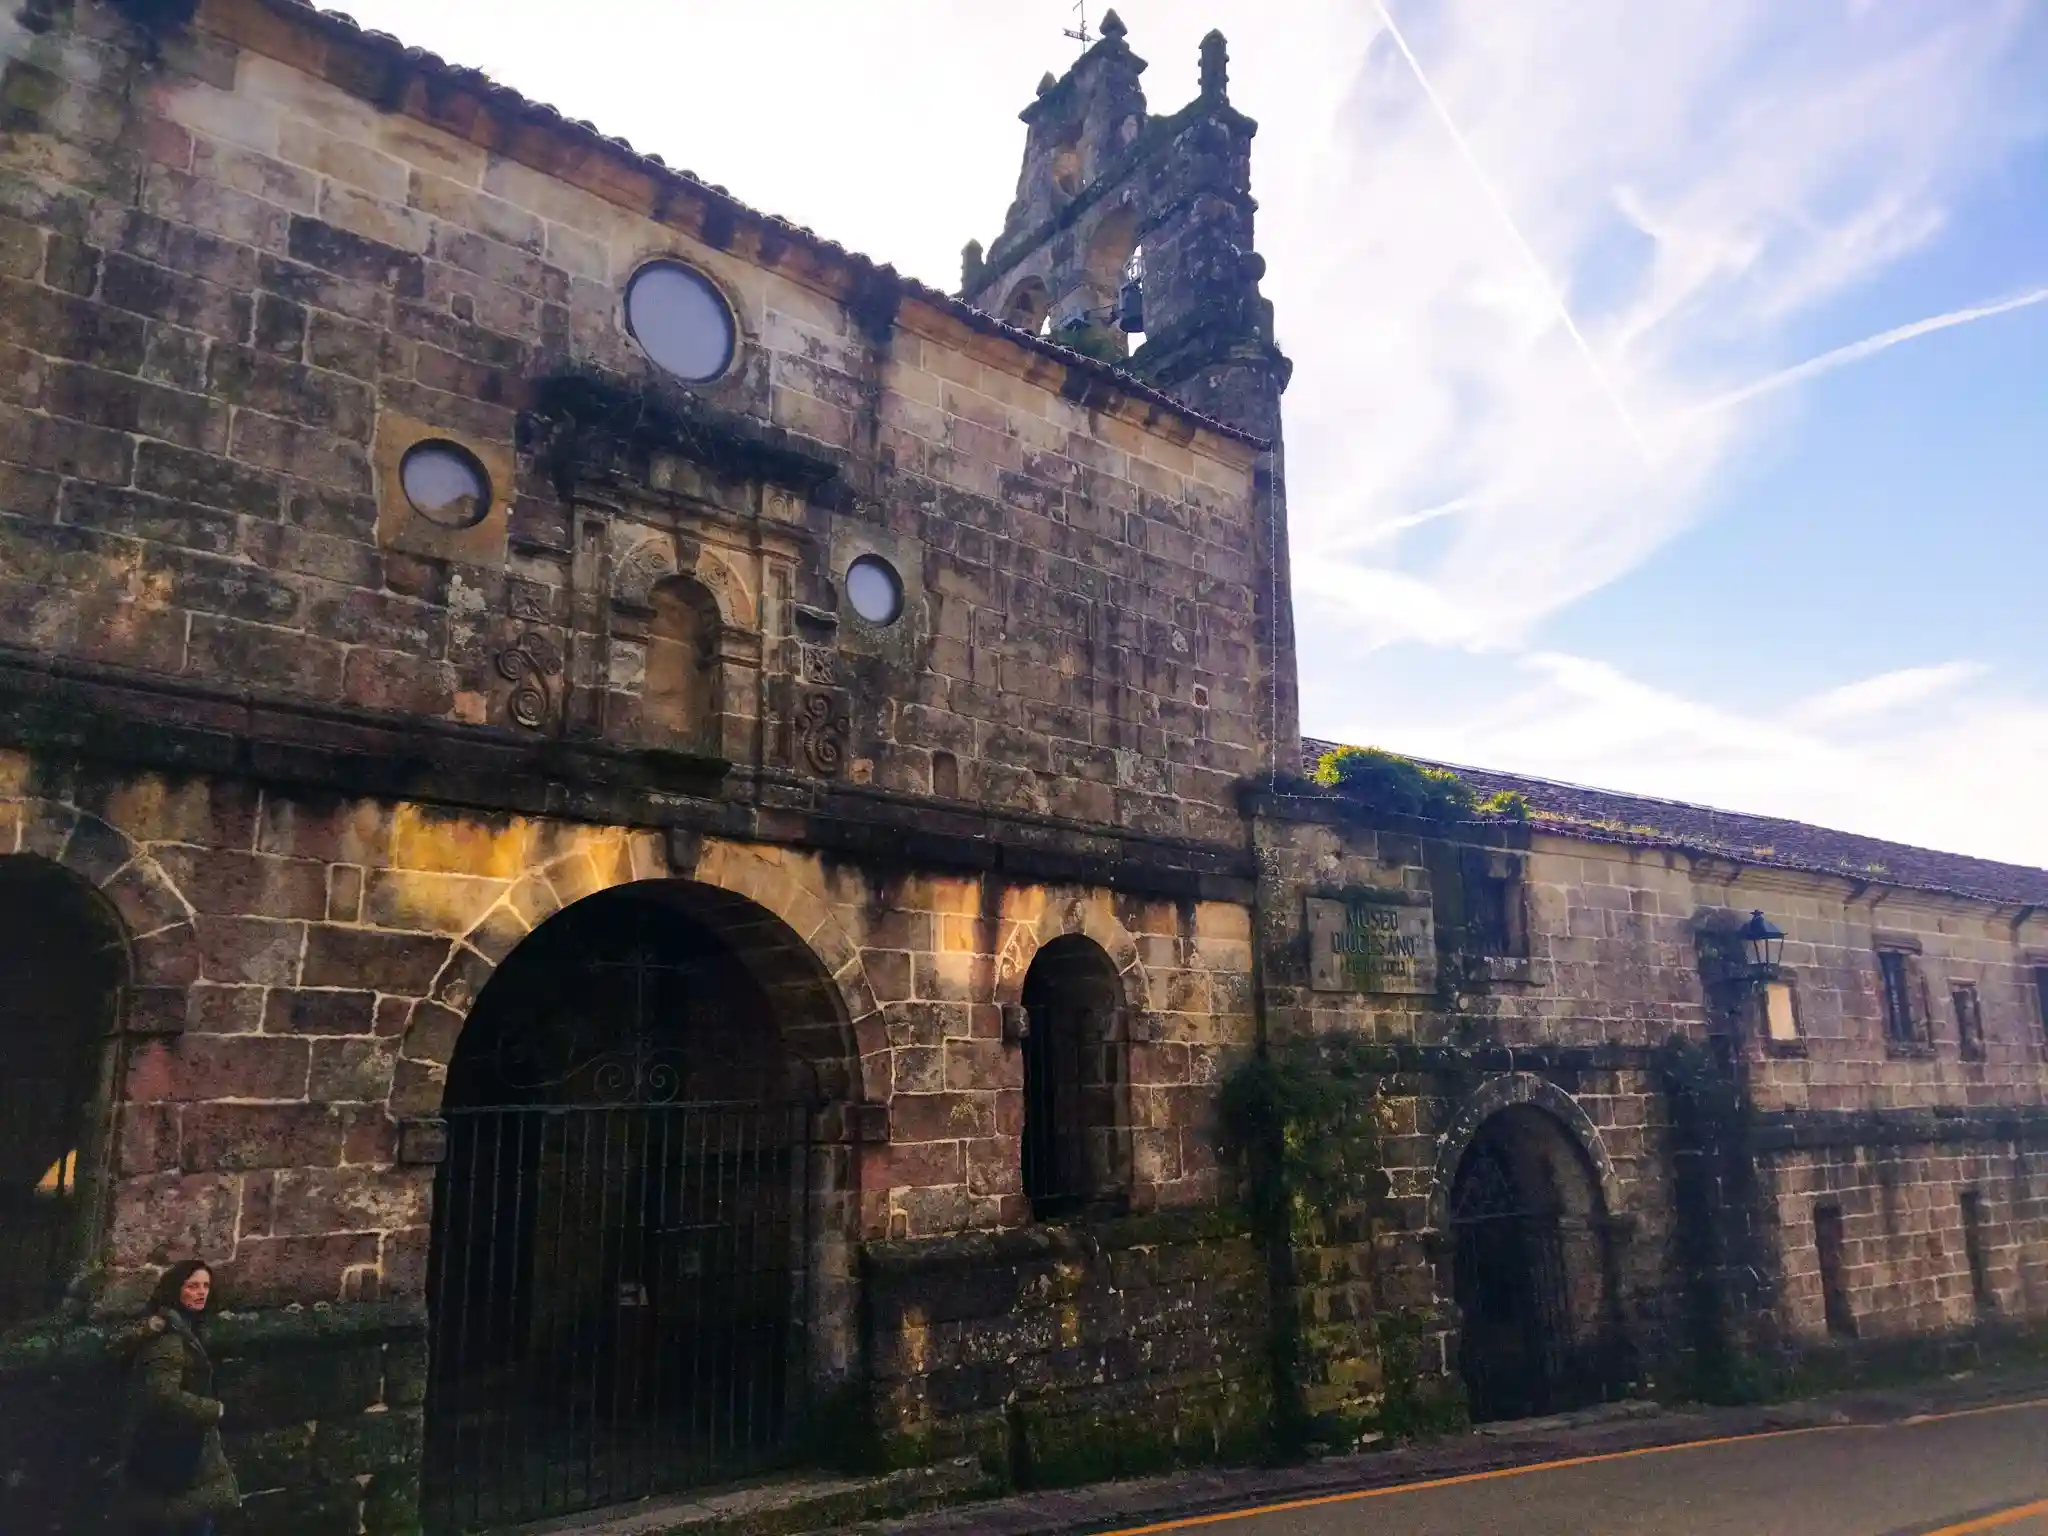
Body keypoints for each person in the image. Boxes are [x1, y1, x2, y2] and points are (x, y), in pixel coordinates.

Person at [118, 1259, 240, 1536]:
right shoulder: (169, 1338)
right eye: (192, 1286)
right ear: (177, 1290)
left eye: (206, 1286)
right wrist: (213, 1410)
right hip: (178, 1455)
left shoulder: (187, 1329)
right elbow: (162, 1395)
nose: (201, 1292)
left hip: (188, 1456)